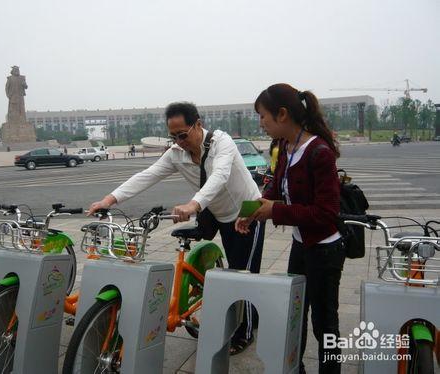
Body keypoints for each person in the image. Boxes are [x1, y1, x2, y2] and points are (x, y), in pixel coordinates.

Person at [88, 102, 265, 354]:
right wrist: (109, 200)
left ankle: (244, 334)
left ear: (198, 125)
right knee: (236, 271)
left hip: (248, 212)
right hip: (220, 215)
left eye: (183, 134)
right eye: (173, 136)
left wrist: (194, 204)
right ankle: (250, 316)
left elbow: (220, 176)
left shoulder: (221, 143)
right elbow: (146, 176)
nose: (179, 141)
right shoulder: (176, 153)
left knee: (244, 275)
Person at [236, 84, 344, 373]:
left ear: (282, 114)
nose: (261, 123)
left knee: (325, 325)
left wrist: (276, 211)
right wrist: (254, 210)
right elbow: (276, 185)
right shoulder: (286, 146)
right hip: (301, 247)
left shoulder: (319, 152)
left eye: (263, 117)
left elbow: (326, 214)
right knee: (294, 315)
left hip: (324, 251)